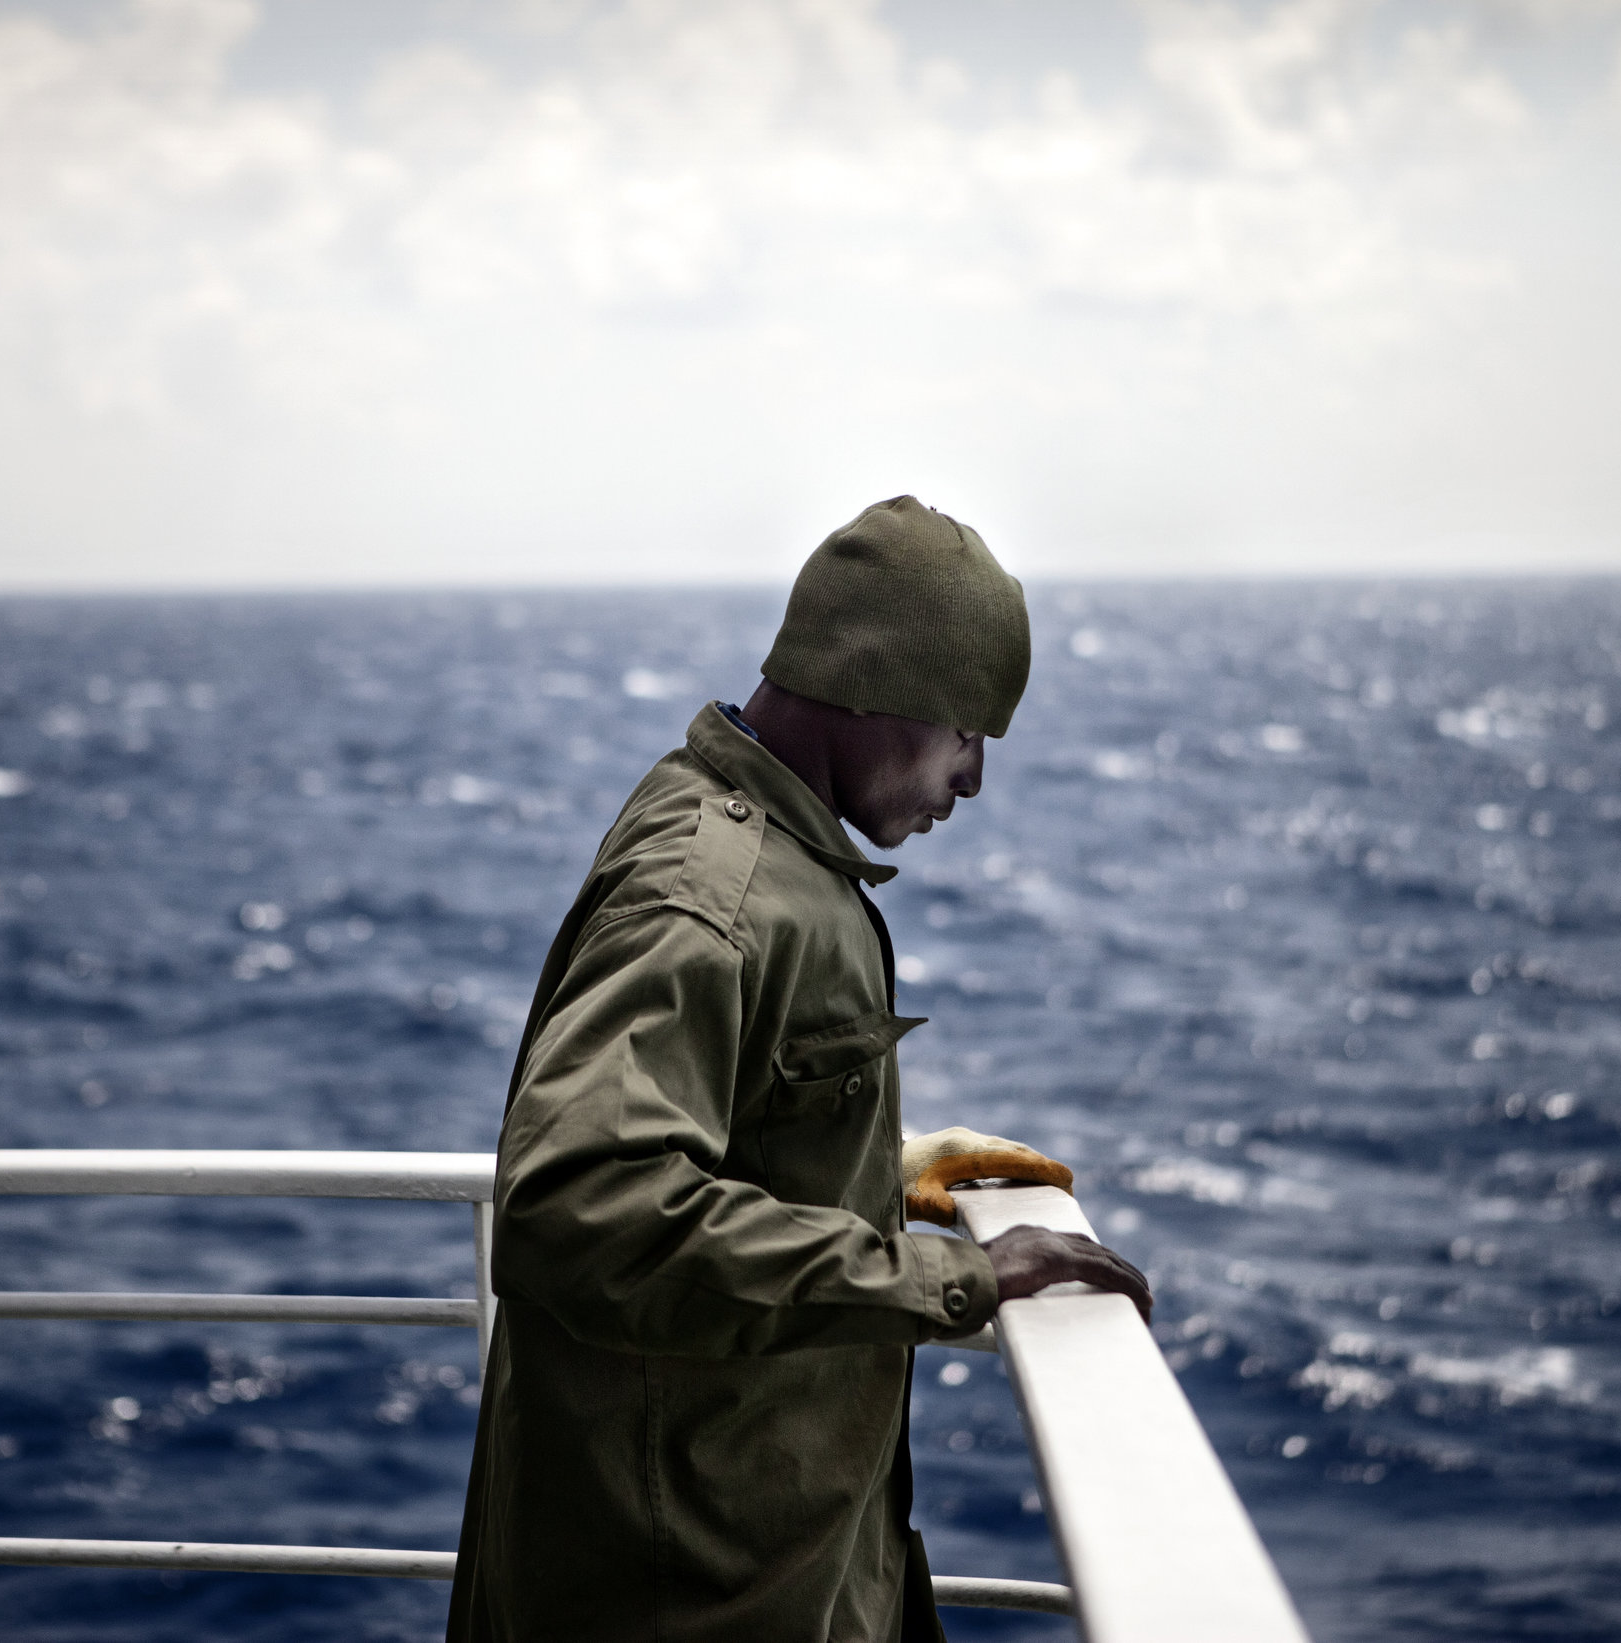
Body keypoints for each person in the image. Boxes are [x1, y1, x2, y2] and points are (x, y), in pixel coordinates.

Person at [446, 496, 1153, 1642]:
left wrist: (874, 1165)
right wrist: (940, 1277)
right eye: (967, 731)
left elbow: (714, 1123)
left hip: (774, 1561)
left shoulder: (742, 829)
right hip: (689, 1590)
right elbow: (581, 1204)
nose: (971, 779)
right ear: (874, 692)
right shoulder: (710, 894)